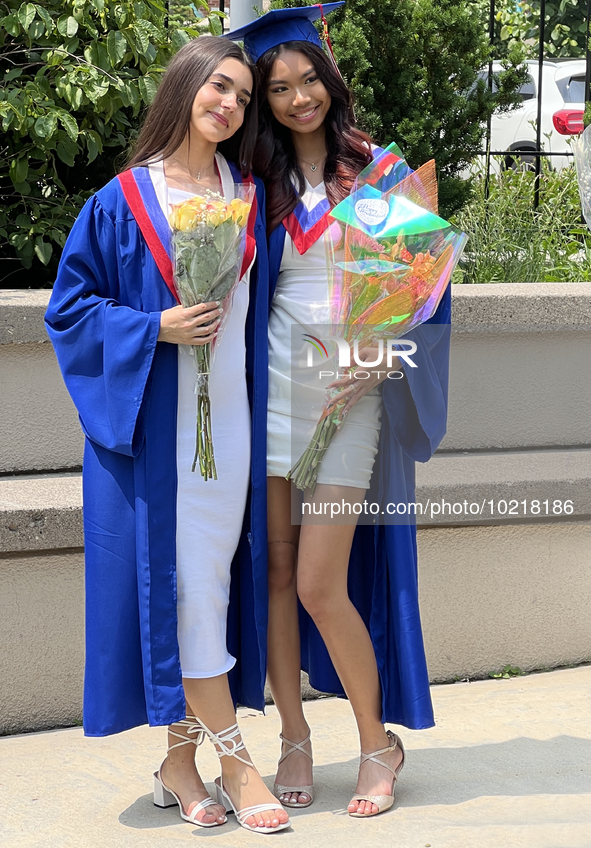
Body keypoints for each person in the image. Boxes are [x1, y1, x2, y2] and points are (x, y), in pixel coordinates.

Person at [45, 36, 289, 835]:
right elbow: (71, 313)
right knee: (186, 592)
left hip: (232, 434)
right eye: (219, 86)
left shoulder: (250, 193)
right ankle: (235, 762)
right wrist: (155, 326)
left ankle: (178, 764)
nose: (230, 104)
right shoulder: (121, 199)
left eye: (244, 97)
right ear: (184, 86)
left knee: (210, 591)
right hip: (158, 437)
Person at [226, 3, 452, 819]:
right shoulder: (256, 184)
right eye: (278, 87)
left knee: (322, 583)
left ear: (330, 79)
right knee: (277, 577)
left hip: (348, 394)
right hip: (273, 397)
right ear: (263, 99)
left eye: (306, 80)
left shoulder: (376, 172)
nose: (296, 98)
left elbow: (421, 293)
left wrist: (379, 354)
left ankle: (375, 742)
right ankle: (293, 735)